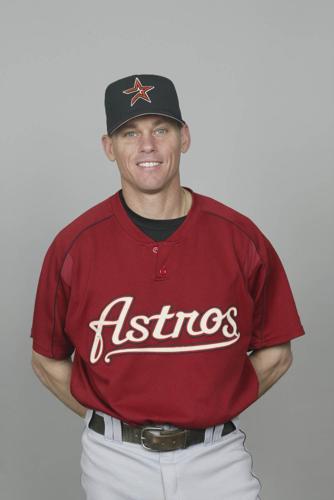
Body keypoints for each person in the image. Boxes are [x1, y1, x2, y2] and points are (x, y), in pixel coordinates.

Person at [30, 74, 306, 500]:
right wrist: (110, 416)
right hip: (114, 460)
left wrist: (217, 401)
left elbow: (277, 352)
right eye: (130, 133)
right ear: (109, 147)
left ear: (184, 137)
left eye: (161, 129)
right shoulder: (75, 246)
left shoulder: (240, 237)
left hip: (217, 455)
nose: (147, 146)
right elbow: (46, 360)